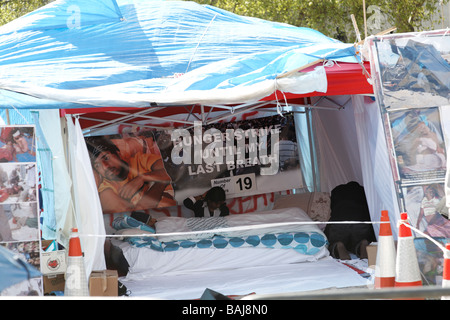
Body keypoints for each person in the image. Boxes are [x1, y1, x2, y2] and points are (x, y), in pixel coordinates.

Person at [86, 136, 176, 214]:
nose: (105, 167)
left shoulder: (139, 160)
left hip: (179, 213)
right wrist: (161, 182)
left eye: (106, 158)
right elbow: (134, 217)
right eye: (97, 165)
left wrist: (142, 178)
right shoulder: (106, 190)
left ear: (118, 153)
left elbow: (171, 169)